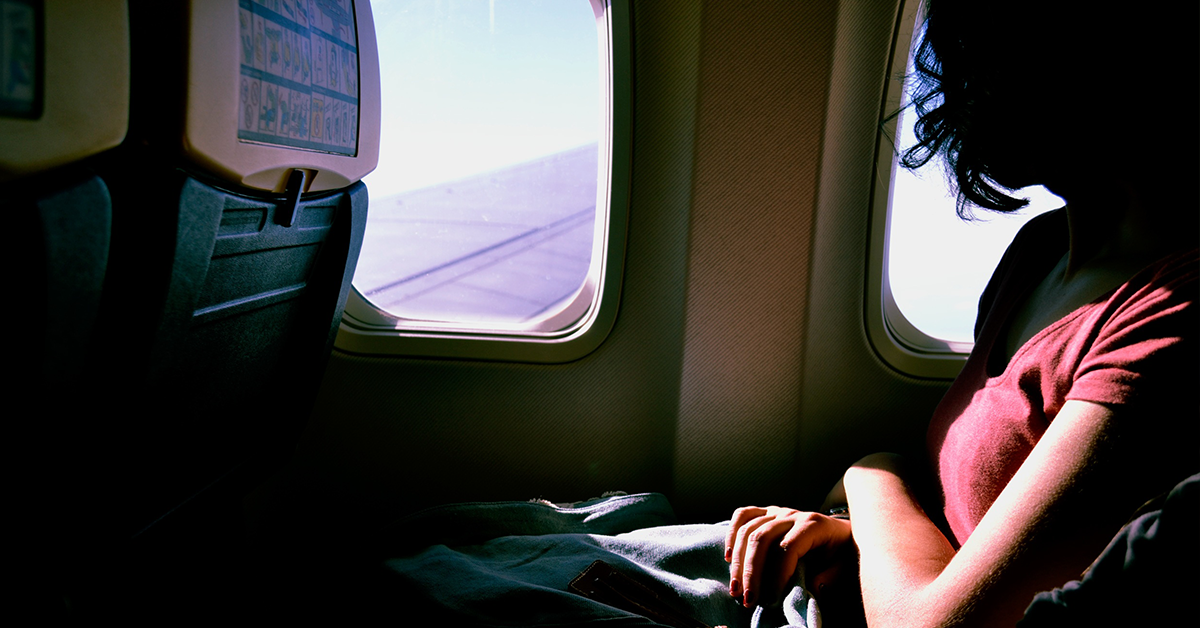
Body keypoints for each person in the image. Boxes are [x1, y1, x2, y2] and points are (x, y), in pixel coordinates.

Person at [723, 1, 1199, 627]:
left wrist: (870, 473)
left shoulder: (1175, 313)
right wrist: (849, 538)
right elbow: (970, 540)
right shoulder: (1040, 252)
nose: (958, 92)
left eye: (985, 64)